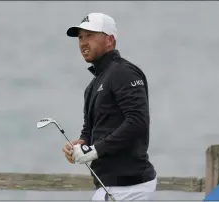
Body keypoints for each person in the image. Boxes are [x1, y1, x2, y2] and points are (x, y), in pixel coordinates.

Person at [62, 13, 157, 201]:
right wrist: (80, 145)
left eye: (90, 35)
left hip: (132, 187)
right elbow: (90, 131)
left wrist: (94, 150)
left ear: (109, 40)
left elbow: (138, 121)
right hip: (107, 187)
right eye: (80, 37)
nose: (83, 43)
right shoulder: (93, 85)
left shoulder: (124, 73)